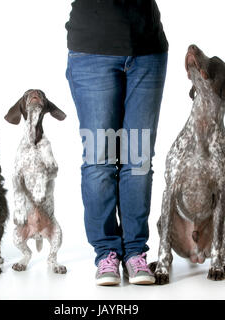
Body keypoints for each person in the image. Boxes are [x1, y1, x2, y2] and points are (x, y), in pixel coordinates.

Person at [65, 0, 168, 286]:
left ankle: (135, 252)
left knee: (138, 159)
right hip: (92, 50)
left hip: (147, 50)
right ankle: (106, 253)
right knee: (100, 158)